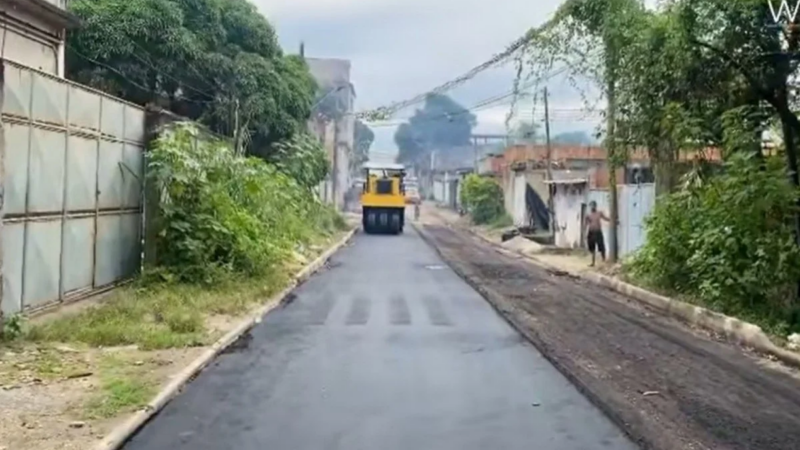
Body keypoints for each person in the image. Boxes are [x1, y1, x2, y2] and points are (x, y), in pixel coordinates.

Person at [585, 201, 610, 267]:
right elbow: (586, 224)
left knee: (601, 246)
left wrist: (612, 220)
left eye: (593, 206)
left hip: (598, 232)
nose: (592, 207)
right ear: (590, 207)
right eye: (591, 206)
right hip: (591, 232)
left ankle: (604, 260)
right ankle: (592, 262)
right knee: (592, 248)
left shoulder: (599, 213)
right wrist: (585, 233)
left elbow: (605, 218)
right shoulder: (588, 215)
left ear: (596, 206)